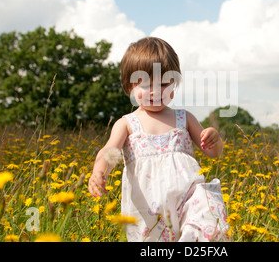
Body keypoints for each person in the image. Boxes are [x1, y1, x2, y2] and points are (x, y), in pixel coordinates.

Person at [88, 37, 229, 242]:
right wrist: (99, 172)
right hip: (149, 208)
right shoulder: (127, 123)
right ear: (130, 87)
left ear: (174, 83)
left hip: (190, 197)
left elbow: (211, 152)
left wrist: (214, 140)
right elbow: (110, 151)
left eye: (164, 84)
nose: (155, 92)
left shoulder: (184, 118)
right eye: (145, 84)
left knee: (203, 226)